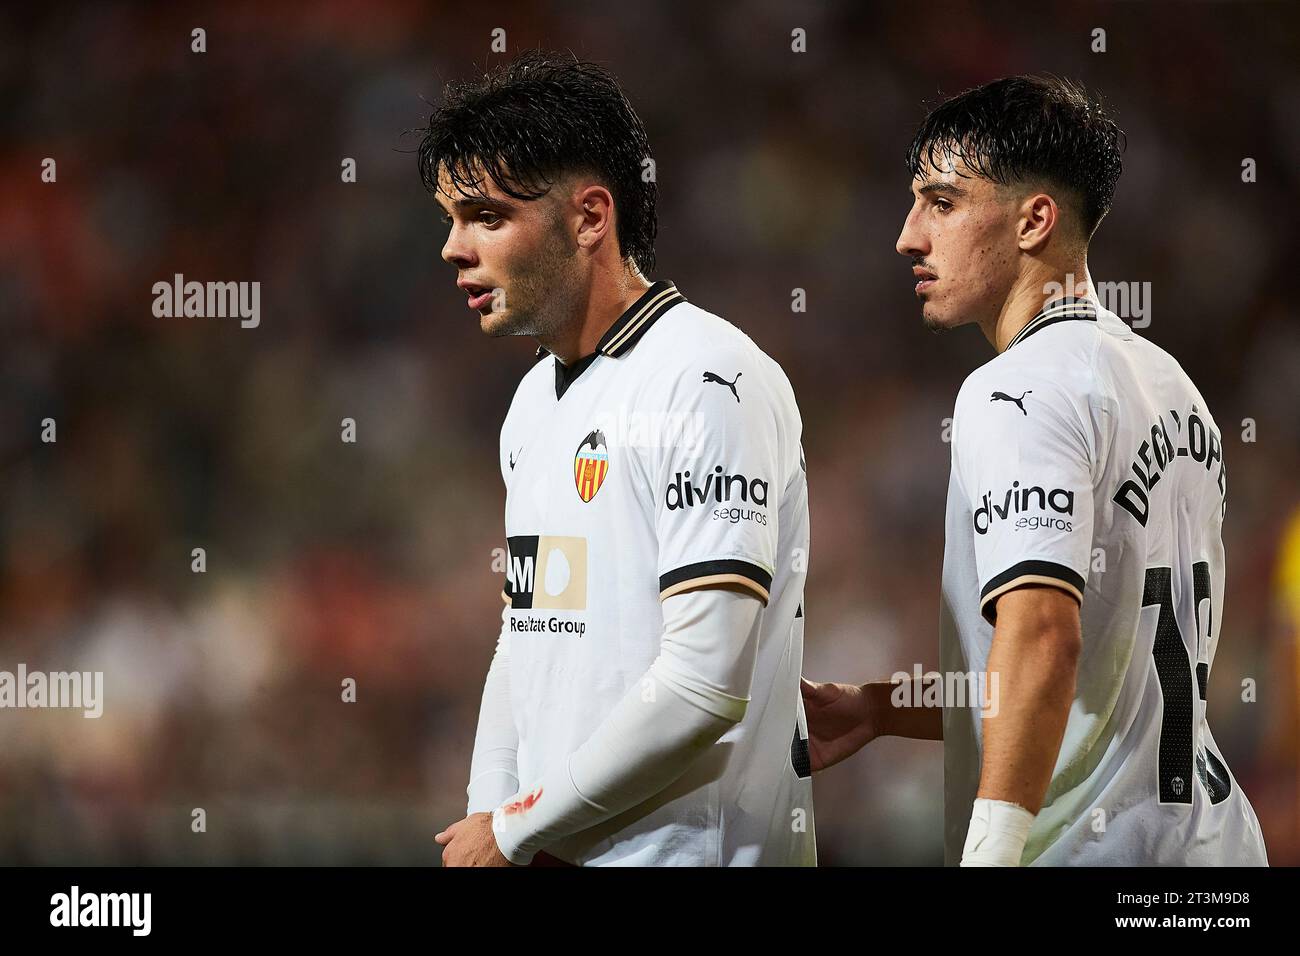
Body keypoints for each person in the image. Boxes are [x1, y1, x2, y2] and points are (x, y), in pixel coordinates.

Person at [803, 75, 1268, 866]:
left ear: (1034, 220)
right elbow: (1100, 681)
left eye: (941, 203)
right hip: (1210, 851)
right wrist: (883, 708)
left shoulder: (1015, 388)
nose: (908, 235)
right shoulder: (1168, 384)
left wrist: (990, 855)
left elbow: (1044, 640)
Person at [426, 51, 815, 866]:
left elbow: (703, 687)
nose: (453, 249)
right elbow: (525, 635)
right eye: (449, 219)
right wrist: (489, 814)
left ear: (589, 217)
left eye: (485, 216)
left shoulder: (709, 379)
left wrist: (515, 827)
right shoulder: (534, 404)